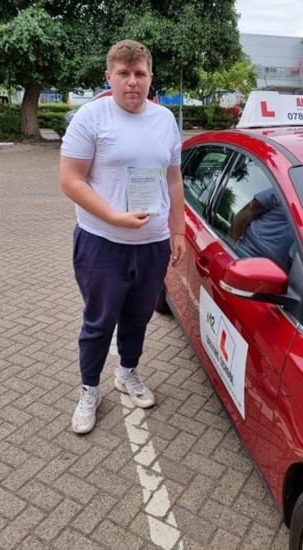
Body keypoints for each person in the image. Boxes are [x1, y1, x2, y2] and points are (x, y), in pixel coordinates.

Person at [60, 40, 186, 434]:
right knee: (98, 322)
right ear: (109, 76)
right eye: (123, 73)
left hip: (151, 245)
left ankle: (127, 372)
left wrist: (178, 230)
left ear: (150, 77)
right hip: (102, 243)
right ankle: (90, 389)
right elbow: (70, 179)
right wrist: (115, 216)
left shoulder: (165, 119)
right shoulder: (91, 118)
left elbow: (174, 178)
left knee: (138, 317)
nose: (132, 82)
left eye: (140, 74)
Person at [229, 187, 293, 272]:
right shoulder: (283, 192)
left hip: (276, 277)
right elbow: (247, 212)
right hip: (244, 256)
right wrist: (229, 250)